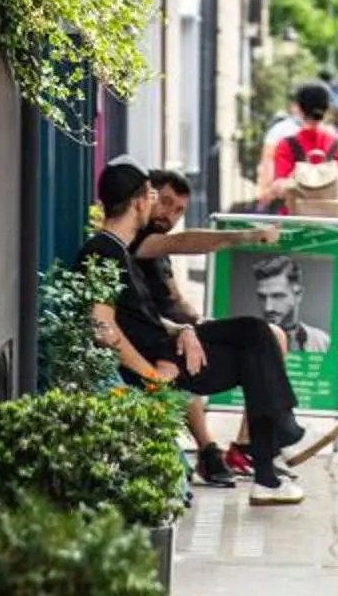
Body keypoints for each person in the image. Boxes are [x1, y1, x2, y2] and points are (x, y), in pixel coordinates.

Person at [80, 162, 309, 506]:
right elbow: (102, 327)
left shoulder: (118, 249)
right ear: (140, 202)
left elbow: (139, 318)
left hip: (167, 346)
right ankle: (274, 451)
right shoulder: (103, 251)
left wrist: (184, 329)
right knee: (256, 348)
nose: (160, 208)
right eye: (154, 197)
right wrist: (152, 375)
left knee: (256, 335)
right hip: (157, 364)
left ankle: (271, 462)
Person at [129, 170, 297, 487]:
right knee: (252, 344)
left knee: (269, 336)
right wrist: (243, 236)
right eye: (164, 203)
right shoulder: (138, 239)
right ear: (145, 199)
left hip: (177, 332)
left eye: (179, 210)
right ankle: (213, 448)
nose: (170, 214)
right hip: (157, 341)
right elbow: (183, 242)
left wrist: (199, 323)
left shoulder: (157, 251)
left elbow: (175, 298)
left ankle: (248, 445)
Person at [261, 80, 338, 217]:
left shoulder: (286, 145)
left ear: (299, 109)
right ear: (328, 109)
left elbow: (280, 188)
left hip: (295, 220)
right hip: (333, 222)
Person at [251, 253, 333, 356]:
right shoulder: (246, 344)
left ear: (298, 295)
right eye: (262, 297)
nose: (268, 307)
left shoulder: (323, 342)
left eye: (277, 296)